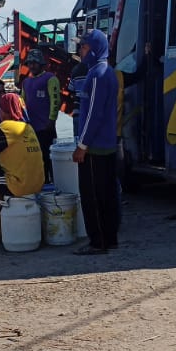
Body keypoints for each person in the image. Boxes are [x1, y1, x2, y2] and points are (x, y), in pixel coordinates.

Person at [72, 29, 119, 254]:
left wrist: (82, 145)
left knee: (93, 197)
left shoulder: (97, 74)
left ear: (94, 48)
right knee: (108, 194)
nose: (80, 51)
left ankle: (97, 241)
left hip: (95, 148)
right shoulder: (107, 71)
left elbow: (92, 114)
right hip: (107, 144)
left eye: (83, 47)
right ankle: (109, 238)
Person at [21, 50, 61, 183]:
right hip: (32, 129)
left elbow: (55, 101)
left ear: (41, 64)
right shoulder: (26, 82)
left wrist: (51, 120)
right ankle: (41, 183)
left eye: (34, 63)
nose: (32, 66)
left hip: (46, 128)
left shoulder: (51, 78)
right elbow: (22, 103)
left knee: (49, 158)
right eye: (30, 63)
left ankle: (54, 183)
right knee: (36, 159)